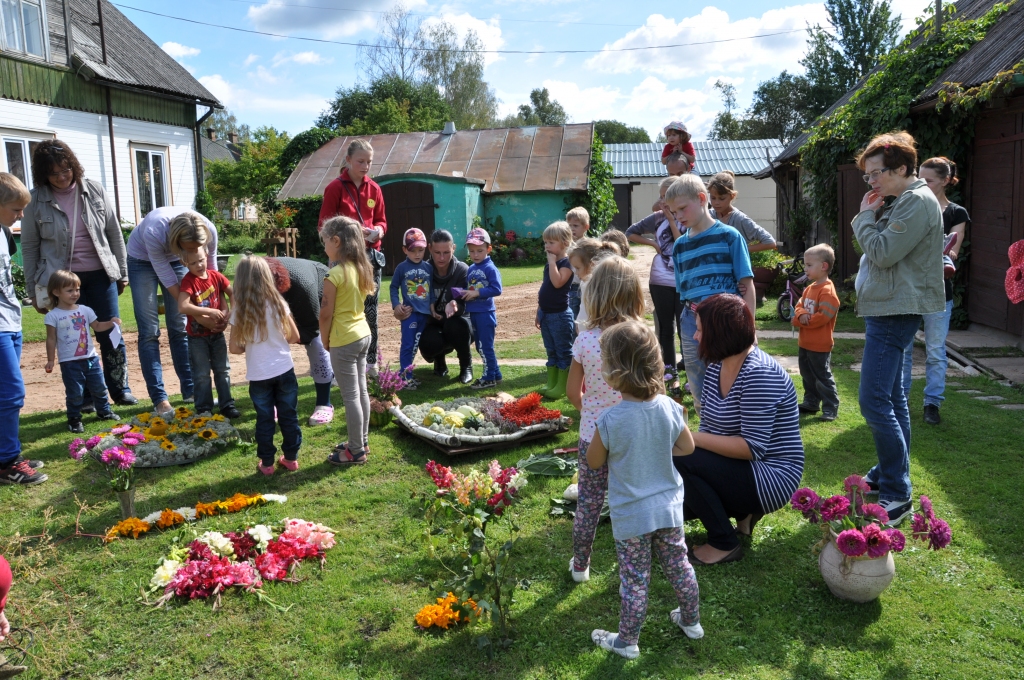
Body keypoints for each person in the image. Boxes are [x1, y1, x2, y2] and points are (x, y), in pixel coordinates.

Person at [586, 320, 702, 659]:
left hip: (632, 516)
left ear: (613, 372)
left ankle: (627, 641)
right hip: (668, 509)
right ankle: (692, 622)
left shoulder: (609, 420)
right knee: (679, 565)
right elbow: (687, 448)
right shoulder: (669, 407)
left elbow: (594, 462)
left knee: (635, 579)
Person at [852, 131, 944, 525]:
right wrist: (873, 216)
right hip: (891, 307)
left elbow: (883, 253)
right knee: (891, 398)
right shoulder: (905, 200)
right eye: (868, 176)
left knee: (873, 399)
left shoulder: (916, 202)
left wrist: (863, 217)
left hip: (894, 311)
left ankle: (896, 493)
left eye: (877, 174)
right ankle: (890, 474)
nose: (872, 182)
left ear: (903, 169)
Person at [673, 294, 804, 564]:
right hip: (746, 469)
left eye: (700, 329)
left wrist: (686, 439)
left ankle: (724, 543)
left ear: (720, 333)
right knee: (674, 496)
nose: (696, 336)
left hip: (772, 475)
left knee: (681, 457)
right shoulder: (715, 368)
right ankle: (743, 513)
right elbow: (710, 429)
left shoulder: (759, 373)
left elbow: (752, 448)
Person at [20, 140, 136, 407]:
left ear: (73, 165)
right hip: (62, 282)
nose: (62, 177)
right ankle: (86, 397)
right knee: (74, 340)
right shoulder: (35, 199)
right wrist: (32, 291)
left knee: (111, 333)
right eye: (54, 173)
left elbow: (114, 233)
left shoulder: (94, 189)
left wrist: (122, 272)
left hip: (100, 275)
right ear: (43, 174)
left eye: (66, 169)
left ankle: (120, 390)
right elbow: (29, 247)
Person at [566, 255, 644, 583]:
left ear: (594, 294)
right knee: (634, 497)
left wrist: (590, 412)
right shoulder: (642, 336)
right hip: (634, 433)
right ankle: (636, 563)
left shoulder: (585, 340)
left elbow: (572, 392)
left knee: (589, 502)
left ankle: (580, 565)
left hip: (594, 433)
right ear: (634, 294)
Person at [665, 174, 756, 411]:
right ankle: (707, 425)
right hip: (690, 320)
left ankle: (732, 425)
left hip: (726, 321)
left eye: (683, 208)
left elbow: (747, 283)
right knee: (697, 377)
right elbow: (683, 292)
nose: (679, 216)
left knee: (732, 373)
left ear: (702, 199)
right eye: (674, 213)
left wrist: (751, 327)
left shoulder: (729, 236)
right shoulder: (679, 246)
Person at [127, 207, 219, 417]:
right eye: (189, 248)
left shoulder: (209, 230)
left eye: (198, 247)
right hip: (141, 260)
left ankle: (190, 391)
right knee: (150, 330)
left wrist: (213, 305)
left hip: (176, 260)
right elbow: (168, 280)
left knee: (179, 327)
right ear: (177, 242)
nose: (195, 251)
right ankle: (160, 400)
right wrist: (195, 312)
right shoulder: (154, 231)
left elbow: (211, 273)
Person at [903, 157, 969, 426]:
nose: (922, 183)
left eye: (928, 179)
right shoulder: (910, 205)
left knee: (936, 351)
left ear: (945, 181)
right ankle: (901, 400)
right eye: (920, 177)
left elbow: (953, 249)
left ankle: (932, 404)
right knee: (903, 349)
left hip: (940, 293)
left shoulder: (956, 213)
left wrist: (945, 254)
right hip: (908, 289)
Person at [317, 139, 387, 378]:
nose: (366, 166)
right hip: (343, 259)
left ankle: (370, 363)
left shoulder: (375, 189)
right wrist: (350, 234)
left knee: (370, 311)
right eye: (360, 161)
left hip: (370, 257)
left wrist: (379, 231)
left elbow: (382, 221)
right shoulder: (334, 188)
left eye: (369, 161)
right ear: (347, 160)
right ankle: (338, 367)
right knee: (339, 310)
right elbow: (323, 227)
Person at [229, 256, 301, 475]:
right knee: (289, 415)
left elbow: (234, 348)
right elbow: (294, 337)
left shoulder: (240, 311)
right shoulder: (279, 303)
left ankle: (267, 464)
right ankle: (290, 458)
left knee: (265, 419)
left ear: (240, 281)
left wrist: (249, 348)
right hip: (284, 369)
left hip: (259, 374)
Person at [0, 174, 46, 486]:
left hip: (11, 321)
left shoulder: (3, 233)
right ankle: (7, 463)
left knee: (7, 393)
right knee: (11, 394)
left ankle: (8, 453)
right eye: (16, 209)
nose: (21, 215)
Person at [320, 217, 376, 466]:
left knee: (351, 396)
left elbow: (325, 313)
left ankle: (355, 450)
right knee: (361, 391)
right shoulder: (361, 268)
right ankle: (361, 441)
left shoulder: (333, 274)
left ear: (336, 241)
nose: (324, 247)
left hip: (343, 340)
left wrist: (324, 339)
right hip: (363, 335)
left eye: (325, 242)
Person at [43, 270, 122, 432]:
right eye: (70, 290)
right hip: (69, 362)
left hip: (90, 358)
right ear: (56, 292)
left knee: (99, 387)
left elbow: (98, 326)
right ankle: (74, 419)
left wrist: (111, 322)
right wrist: (50, 360)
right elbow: (51, 339)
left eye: (77, 289)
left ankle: (104, 411)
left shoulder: (85, 310)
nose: (75, 293)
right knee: (75, 392)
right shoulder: (53, 316)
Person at [626, 177, 685, 383]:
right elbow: (630, 232)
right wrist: (653, 244)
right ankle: (669, 370)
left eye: (666, 197)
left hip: (683, 280)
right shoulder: (656, 217)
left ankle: (688, 368)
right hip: (660, 279)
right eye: (661, 197)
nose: (663, 202)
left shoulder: (688, 218)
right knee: (666, 328)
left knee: (684, 328)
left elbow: (682, 245)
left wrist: (671, 220)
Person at [267, 257, 336, 426]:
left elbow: (312, 329)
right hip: (286, 294)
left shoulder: (303, 286)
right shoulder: (252, 282)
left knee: (317, 346)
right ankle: (275, 402)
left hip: (316, 292)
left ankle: (324, 403)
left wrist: (290, 335)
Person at [176, 244, 238, 419]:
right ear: (185, 263)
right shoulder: (189, 281)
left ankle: (227, 404)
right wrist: (209, 311)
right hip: (197, 338)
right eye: (193, 263)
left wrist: (229, 313)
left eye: (201, 260)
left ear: (207, 256)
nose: (199, 265)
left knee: (223, 370)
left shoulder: (216, 276)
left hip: (216, 334)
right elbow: (183, 306)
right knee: (201, 374)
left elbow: (233, 294)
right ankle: (204, 408)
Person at [415, 230, 473, 384]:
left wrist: (455, 305)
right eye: (437, 252)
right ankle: (439, 359)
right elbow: (415, 298)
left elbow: (466, 303)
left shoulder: (462, 270)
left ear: (453, 248)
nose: (442, 258)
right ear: (429, 249)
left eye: (446, 252)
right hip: (433, 323)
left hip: (460, 323)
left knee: (456, 324)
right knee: (428, 343)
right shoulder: (422, 271)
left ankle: (466, 366)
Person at [793, 244, 841, 422]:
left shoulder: (827, 291)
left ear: (824, 266)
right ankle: (811, 402)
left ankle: (830, 407)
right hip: (804, 343)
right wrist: (801, 315)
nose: (805, 269)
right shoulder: (808, 289)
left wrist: (801, 320)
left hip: (820, 345)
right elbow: (798, 307)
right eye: (805, 265)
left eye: (809, 265)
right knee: (807, 375)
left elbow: (823, 317)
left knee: (822, 376)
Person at [535, 221, 575, 400]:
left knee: (563, 351)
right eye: (546, 242)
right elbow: (546, 287)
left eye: (551, 242)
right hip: (546, 314)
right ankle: (551, 382)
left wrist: (552, 263)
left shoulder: (567, 263)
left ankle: (562, 386)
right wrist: (539, 310)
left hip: (560, 315)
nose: (547, 246)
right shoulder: (549, 264)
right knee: (550, 349)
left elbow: (558, 282)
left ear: (565, 243)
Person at [389, 229, 432, 388]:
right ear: (404, 249)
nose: (417, 254)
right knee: (408, 344)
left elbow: (431, 290)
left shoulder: (428, 268)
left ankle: (405, 375)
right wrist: (396, 305)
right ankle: (405, 377)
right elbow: (393, 288)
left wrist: (432, 306)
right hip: (409, 314)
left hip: (425, 314)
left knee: (415, 345)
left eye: (420, 250)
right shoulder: (401, 268)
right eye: (412, 250)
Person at [463, 227, 503, 390]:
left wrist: (477, 293)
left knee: (485, 346)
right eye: (472, 251)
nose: (475, 254)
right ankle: (496, 374)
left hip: (485, 313)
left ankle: (488, 378)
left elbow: (497, 289)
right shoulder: (471, 268)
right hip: (474, 312)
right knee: (480, 345)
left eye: (480, 250)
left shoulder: (489, 268)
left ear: (489, 249)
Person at [707, 171, 777, 252]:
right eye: (713, 198)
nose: (716, 202)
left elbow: (770, 242)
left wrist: (739, 250)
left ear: (732, 196)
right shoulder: (708, 215)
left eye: (722, 198)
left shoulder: (739, 219)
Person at [566, 238, 621, 331]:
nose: (575, 272)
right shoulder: (584, 283)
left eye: (578, 268)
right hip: (586, 336)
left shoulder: (597, 287)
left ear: (592, 265)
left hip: (595, 336)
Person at [565, 207, 590, 319]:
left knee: (584, 316)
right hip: (569, 287)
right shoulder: (565, 245)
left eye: (575, 226)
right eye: (569, 225)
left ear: (585, 227)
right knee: (572, 316)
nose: (572, 229)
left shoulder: (588, 246)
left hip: (585, 286)